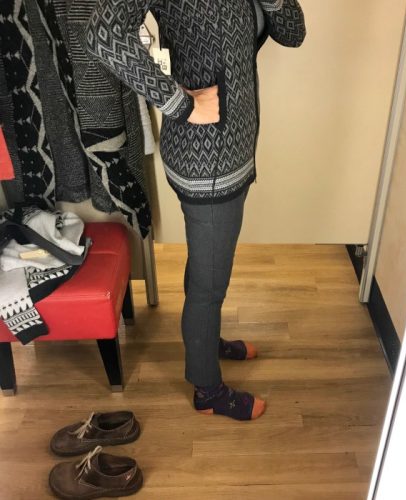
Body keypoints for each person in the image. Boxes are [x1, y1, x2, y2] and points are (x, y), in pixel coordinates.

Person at [86, 0, 306, 421]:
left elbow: (292, 34)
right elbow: (102, 33)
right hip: (206, 164)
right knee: (210, 285)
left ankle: (206, 339)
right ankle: (207, 390)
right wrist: (180, 103)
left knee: (208, 270)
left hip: (232, 154)